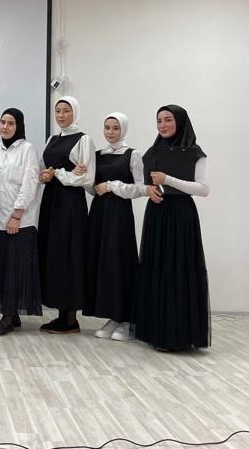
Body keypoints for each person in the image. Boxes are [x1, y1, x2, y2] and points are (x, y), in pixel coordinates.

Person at [134, 105, 211, 352]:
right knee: (158, 269)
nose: (162, 125)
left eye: (168, 120)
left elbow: (203, 189)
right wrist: (149, 190)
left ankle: (179, 335)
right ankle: (158, 332)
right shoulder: (152, 152)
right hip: (157, 214)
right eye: (159, 121)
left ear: (180, 122)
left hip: (181, 217)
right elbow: (144, 184)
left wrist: (168, 180)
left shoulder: (194, 153)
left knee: (178, 270)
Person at [37, 97, 95, 334]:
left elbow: (87, 178)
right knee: (54, 253)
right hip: (51, 200)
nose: (61, 115)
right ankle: (61, 314)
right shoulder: (53, 139)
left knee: (69, 253)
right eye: (58, 111)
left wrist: (58, 173)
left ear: (75, 113)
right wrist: (45, 176)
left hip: (71, 204)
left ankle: (70, 318)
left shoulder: (84, 139)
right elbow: (46, 169)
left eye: (66, 111)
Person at [85, 113, 144, 341]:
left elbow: (140, 188)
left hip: (119, 215)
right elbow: (93, 188)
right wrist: (85, 179)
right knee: (103, 263)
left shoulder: (133, 155)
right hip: (99, 214)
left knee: (120, 261)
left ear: (124, 130)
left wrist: (111, 186)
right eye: (107, 127)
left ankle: (128, 319)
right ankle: (113, 316)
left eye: (115, 128)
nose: (110, 132)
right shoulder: (98, 155)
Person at [0, 108, 42, 337]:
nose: (5, 127)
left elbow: (30, 183)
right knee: (2, 269)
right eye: (2, 122)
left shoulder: (27, 149)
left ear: (18, 126)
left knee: (14, 270)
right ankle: (13, 314)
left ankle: (8, 317)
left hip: (20, 221)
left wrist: (17, 215)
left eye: (11, 123)